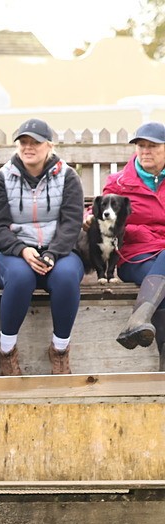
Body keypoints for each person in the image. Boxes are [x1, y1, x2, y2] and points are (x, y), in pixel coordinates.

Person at [0, 118, 85, 375]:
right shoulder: (0, 180)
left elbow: (72, 223)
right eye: (23, 142)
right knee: (19, 277)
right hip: (14, 253)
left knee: (66, 276)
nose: (28, 147)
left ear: (49, 145)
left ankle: (60, 350)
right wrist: (21, 250)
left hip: (59, 251)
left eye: (35, 142)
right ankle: (6, 350)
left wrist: (53, 253)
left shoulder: (68, 177)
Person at [100, 121, 165, 366]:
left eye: (153, 146)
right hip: (135, 256)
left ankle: (139, 321)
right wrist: (147, 235)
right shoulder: (118, 183)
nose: (145, 151)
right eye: (141, 146)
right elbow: (110, 222)